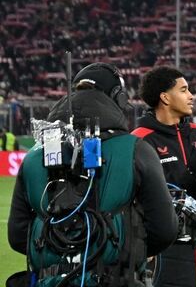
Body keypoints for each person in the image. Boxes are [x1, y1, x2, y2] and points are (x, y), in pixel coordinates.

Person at [7, 63, 177, 286]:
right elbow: (164, 229)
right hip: (116, 278)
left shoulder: (34, 155)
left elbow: (18, 235)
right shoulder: (136, 149)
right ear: (118, 98)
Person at [132, 66, 196, 287]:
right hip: (165, 256)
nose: (191, 96)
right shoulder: (140, 141)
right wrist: (189, 177)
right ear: (165, 97)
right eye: (184, 90)